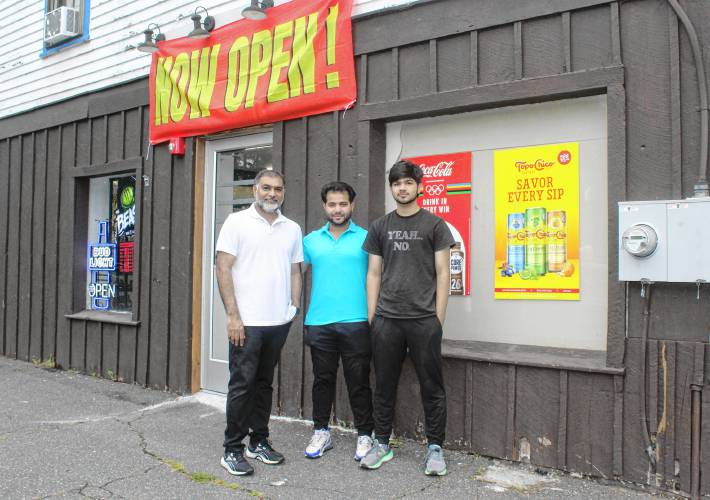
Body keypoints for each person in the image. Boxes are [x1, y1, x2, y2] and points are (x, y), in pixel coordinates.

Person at [360, 159, 455, 476]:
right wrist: (373, 317)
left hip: (424, 320)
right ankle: (382, 443)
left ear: (419, 187)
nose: (402, 188)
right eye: (397, 183)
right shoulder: (379, 226)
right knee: (384, 384)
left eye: (408, 182)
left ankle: (435, 448)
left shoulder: (435, 225)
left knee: (432, 386)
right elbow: (373, 273)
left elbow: (443, 274)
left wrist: (437, 319)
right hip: (387, 319)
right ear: (392, 188)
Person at [215, 169, 303, 476]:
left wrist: (293, 306)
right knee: (242, 384)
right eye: (266, 187)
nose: (272, 193)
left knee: (264, 384)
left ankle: (259, 442)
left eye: (278, 189)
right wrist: (233, 316)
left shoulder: (291, 228)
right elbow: (223, 268)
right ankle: (232, 449)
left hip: (278, 322)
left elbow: (295, 270)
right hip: (246, 322)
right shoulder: (236, 222)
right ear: (255, 190)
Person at [302, 181, 374, 461]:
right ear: (324, 206)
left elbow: (377, 277)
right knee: (322, 380)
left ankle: (365, 435)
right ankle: (321, 431)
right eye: (332, 204)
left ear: (352, 205)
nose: (337, 209)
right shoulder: (310, 241)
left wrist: (373, 316)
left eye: (343, 204)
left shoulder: (367, 239)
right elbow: (296, 275)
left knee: (359, 382)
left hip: (357, 322)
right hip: (319, 322)